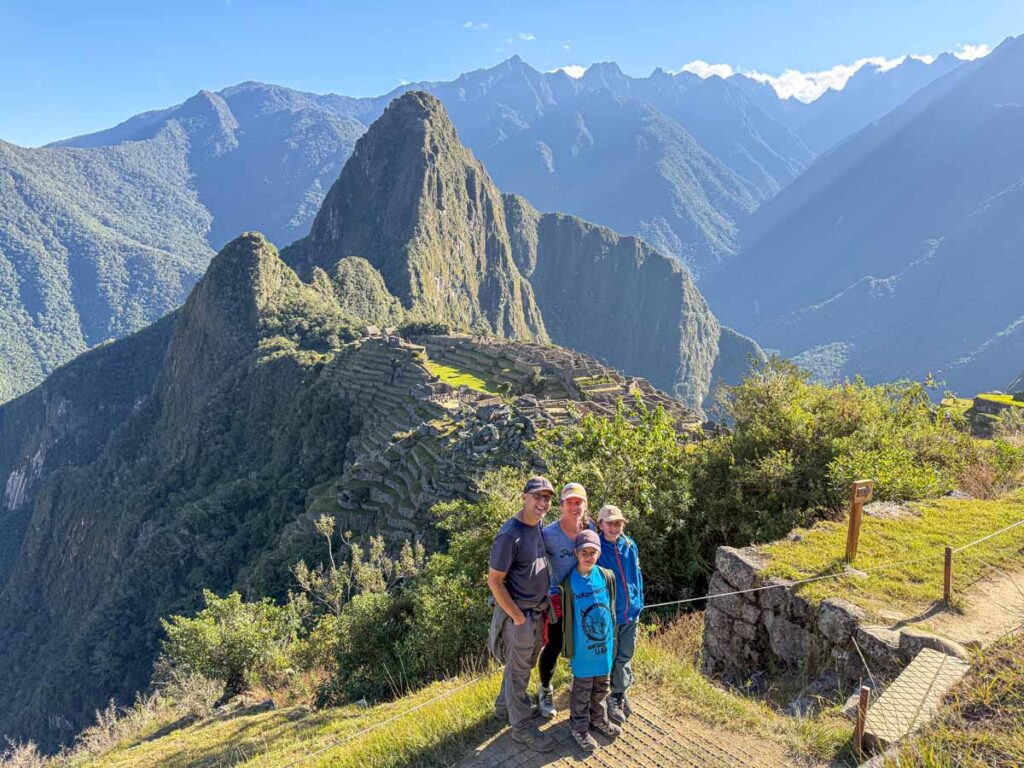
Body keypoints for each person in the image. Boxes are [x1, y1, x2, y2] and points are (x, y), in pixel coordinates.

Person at [486, 476, 556, 752]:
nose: (542, 502)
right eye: (537, 496)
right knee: (519, 673)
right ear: (523, 497)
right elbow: (494, 580)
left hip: (536, 613)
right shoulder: (509, 535)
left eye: (547, 498)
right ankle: (522, 728)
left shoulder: (536, 526)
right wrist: (517, 617)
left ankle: (505, 708)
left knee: (520, 666)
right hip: (521, 616)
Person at [559, 529, 622, 752]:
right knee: (582, 690)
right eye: (584, 552)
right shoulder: (568, 582)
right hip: (582, 649)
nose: (588, 556)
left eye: (593, 552)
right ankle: (579, 727)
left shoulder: (605, 576)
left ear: (598, 552)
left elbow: (611, 606)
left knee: (601, 687)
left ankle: (598, 718)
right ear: (576, 553)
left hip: (604, 646)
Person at [536, 481, 589, 719]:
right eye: (569, 502)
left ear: (585, 505)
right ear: (562, 505)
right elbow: (530, 560)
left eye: (578, 502)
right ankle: (545, 689)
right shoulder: (548, 534)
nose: (574, 507)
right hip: (558, 601)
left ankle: (581, 687)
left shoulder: (589, 532)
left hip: (584, 599)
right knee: (554, 646)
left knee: (583, 644)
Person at [596, 504, 644, 725]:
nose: (614, 527)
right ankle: (606, 697)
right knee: (609, 656)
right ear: (600, 524)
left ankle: (620, 693)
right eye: (610, 523)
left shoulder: (629, 545)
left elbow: (636, 576)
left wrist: (639, 602)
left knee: (625, 654)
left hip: (631, 612)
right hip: (609, 615)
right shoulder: (595, 548)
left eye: (618, 523)